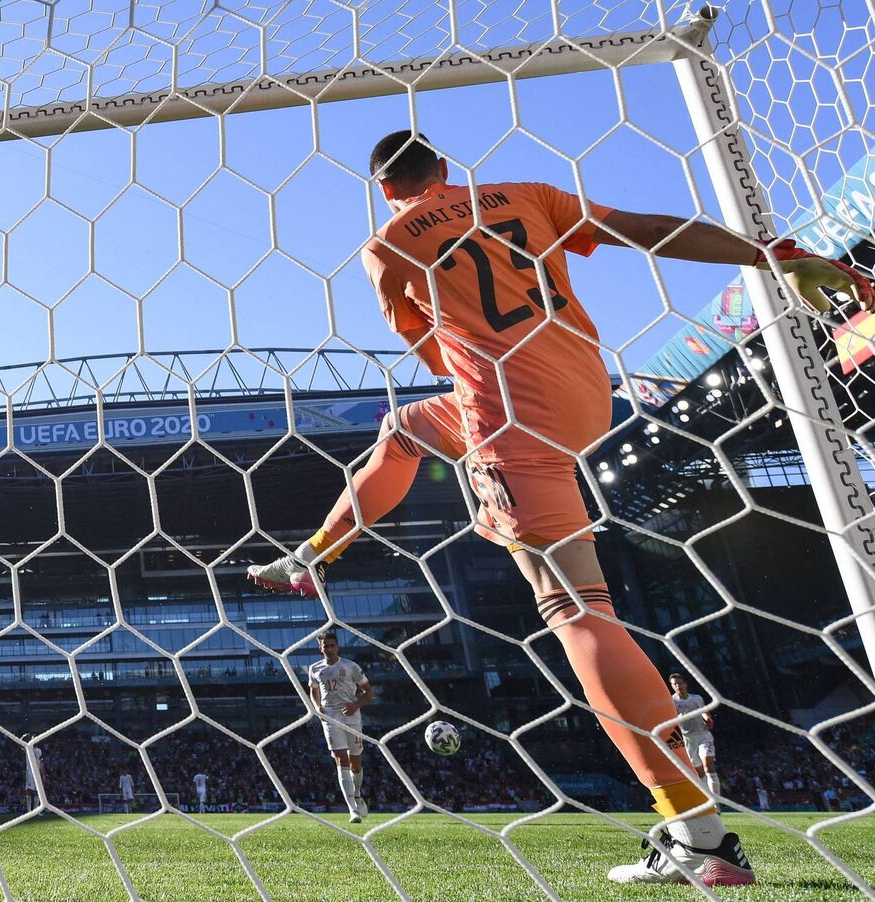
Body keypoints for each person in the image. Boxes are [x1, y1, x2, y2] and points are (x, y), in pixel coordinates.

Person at [250, 131, 872, 884]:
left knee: (579, 615)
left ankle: (699, 838)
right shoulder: (531, 196)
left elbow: (425, 340)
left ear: (384, 190)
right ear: (445, 168)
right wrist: (769, 254)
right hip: (585, 396)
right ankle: (313, 554)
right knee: (404, 428)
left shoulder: (385, 246)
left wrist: (484, 404)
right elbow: (649, 231)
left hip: (512, 423)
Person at [307, 629, 373, 824]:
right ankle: (352, 809)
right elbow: (313, 690)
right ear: (320, 648)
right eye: (325, 646)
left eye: (332, 645)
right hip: (331, 718)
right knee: (340, 759)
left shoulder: (350, 667)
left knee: (356, 762)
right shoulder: (315, 668)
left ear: (338, 646)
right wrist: (317, 707)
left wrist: (355, 705)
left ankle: (358, 794)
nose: (329, 649)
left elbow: (369, 692)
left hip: (352, 718)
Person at [669, 673, 720, 796]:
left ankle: (716, 804)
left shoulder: (697, 698)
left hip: (703, 735)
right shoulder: (672, 702)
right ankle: (708, 799)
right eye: (674, 684)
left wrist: (708, 718)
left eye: (680, 683)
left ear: (685, 684)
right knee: (699, 772)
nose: (678, 686)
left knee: (709, 766)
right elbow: (671, 721)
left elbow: (704, 712)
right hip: (687, 739)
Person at [22, 733, 44, 812]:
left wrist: (43, 774)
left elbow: (41, 763)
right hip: (30, 772)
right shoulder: (28, 748)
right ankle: (28, 810)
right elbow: (21, 746)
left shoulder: (39, 751)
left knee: (38, 791)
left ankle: (35, 810)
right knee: (28, 790)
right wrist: (23, 738)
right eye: (33, 738)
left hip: (37, 772)